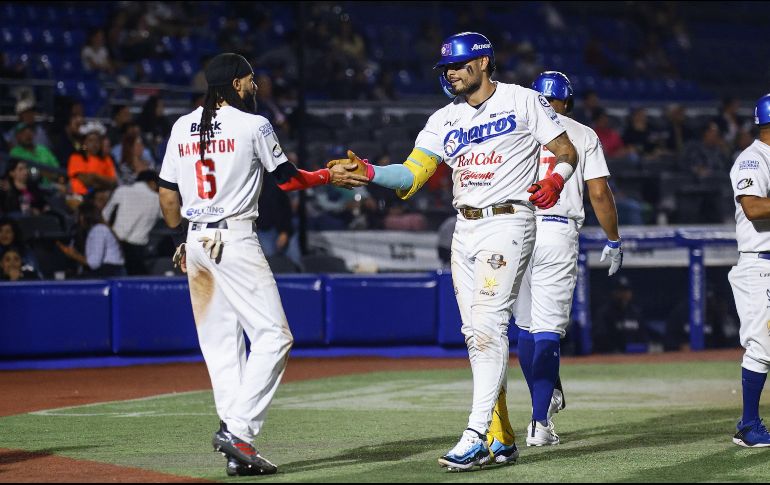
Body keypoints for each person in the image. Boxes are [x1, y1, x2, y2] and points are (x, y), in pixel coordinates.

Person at [329, 32, 578, 470]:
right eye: (446, 67)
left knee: (486, 330)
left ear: (483, 63)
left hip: (507, 221)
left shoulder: (522, 100)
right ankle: (501, 437)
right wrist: (368, 171)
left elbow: (565, 150)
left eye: (459, 65)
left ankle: (474, 434)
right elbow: (409, 176)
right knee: (478, 335)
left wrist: (555, 180)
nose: (451, 73)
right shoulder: (445, 118)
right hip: (464, 229)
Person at [157, 53, 368, 477]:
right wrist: (329, 177)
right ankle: (238, 432)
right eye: (251, 79)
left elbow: (166, 196)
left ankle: (235, 440)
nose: (256, 86)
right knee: (274, 336)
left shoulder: (181, 126)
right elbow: (288, 180)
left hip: (197, 239)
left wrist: (182, 238)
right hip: (233, 238)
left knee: (221, 346)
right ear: (236, 84)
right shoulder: (253, 124)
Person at [488, 71, 622, 452]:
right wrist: (613, 239)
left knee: (527, 327)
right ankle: (539, 421)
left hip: (512, 226)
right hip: (556, 230)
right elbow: (598, 192)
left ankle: (542, 402)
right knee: (546, 329)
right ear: (568, 101)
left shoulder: (513, 128)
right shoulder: (580, 133)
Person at [726, 92, 770, 448]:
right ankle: (748, 424)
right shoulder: (752, 160)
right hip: (760, 265)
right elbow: (754, 209)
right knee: (762, 347)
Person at [102, 170, 161, 275]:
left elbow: (105, 215)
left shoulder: (122, 191)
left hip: (115, 243)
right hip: (138, 250)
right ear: (152, 183)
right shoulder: (157, 199)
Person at [57, 200, 126, 278]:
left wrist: (73, 255)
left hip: (109, 272)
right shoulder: (97, 229)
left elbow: (93, 263)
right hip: (110, 271)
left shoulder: (98, 230)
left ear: (83, 216)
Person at [67, 122, 118, 197]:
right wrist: (103, 181)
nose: (94, 144)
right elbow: (86, 181)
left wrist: (95, 177)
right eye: (91, 140)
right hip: (80, 196)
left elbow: (113, 182)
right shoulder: (76, 157)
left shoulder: (106, 159)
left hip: (103, 196)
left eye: (97, 141)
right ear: (84, 143)